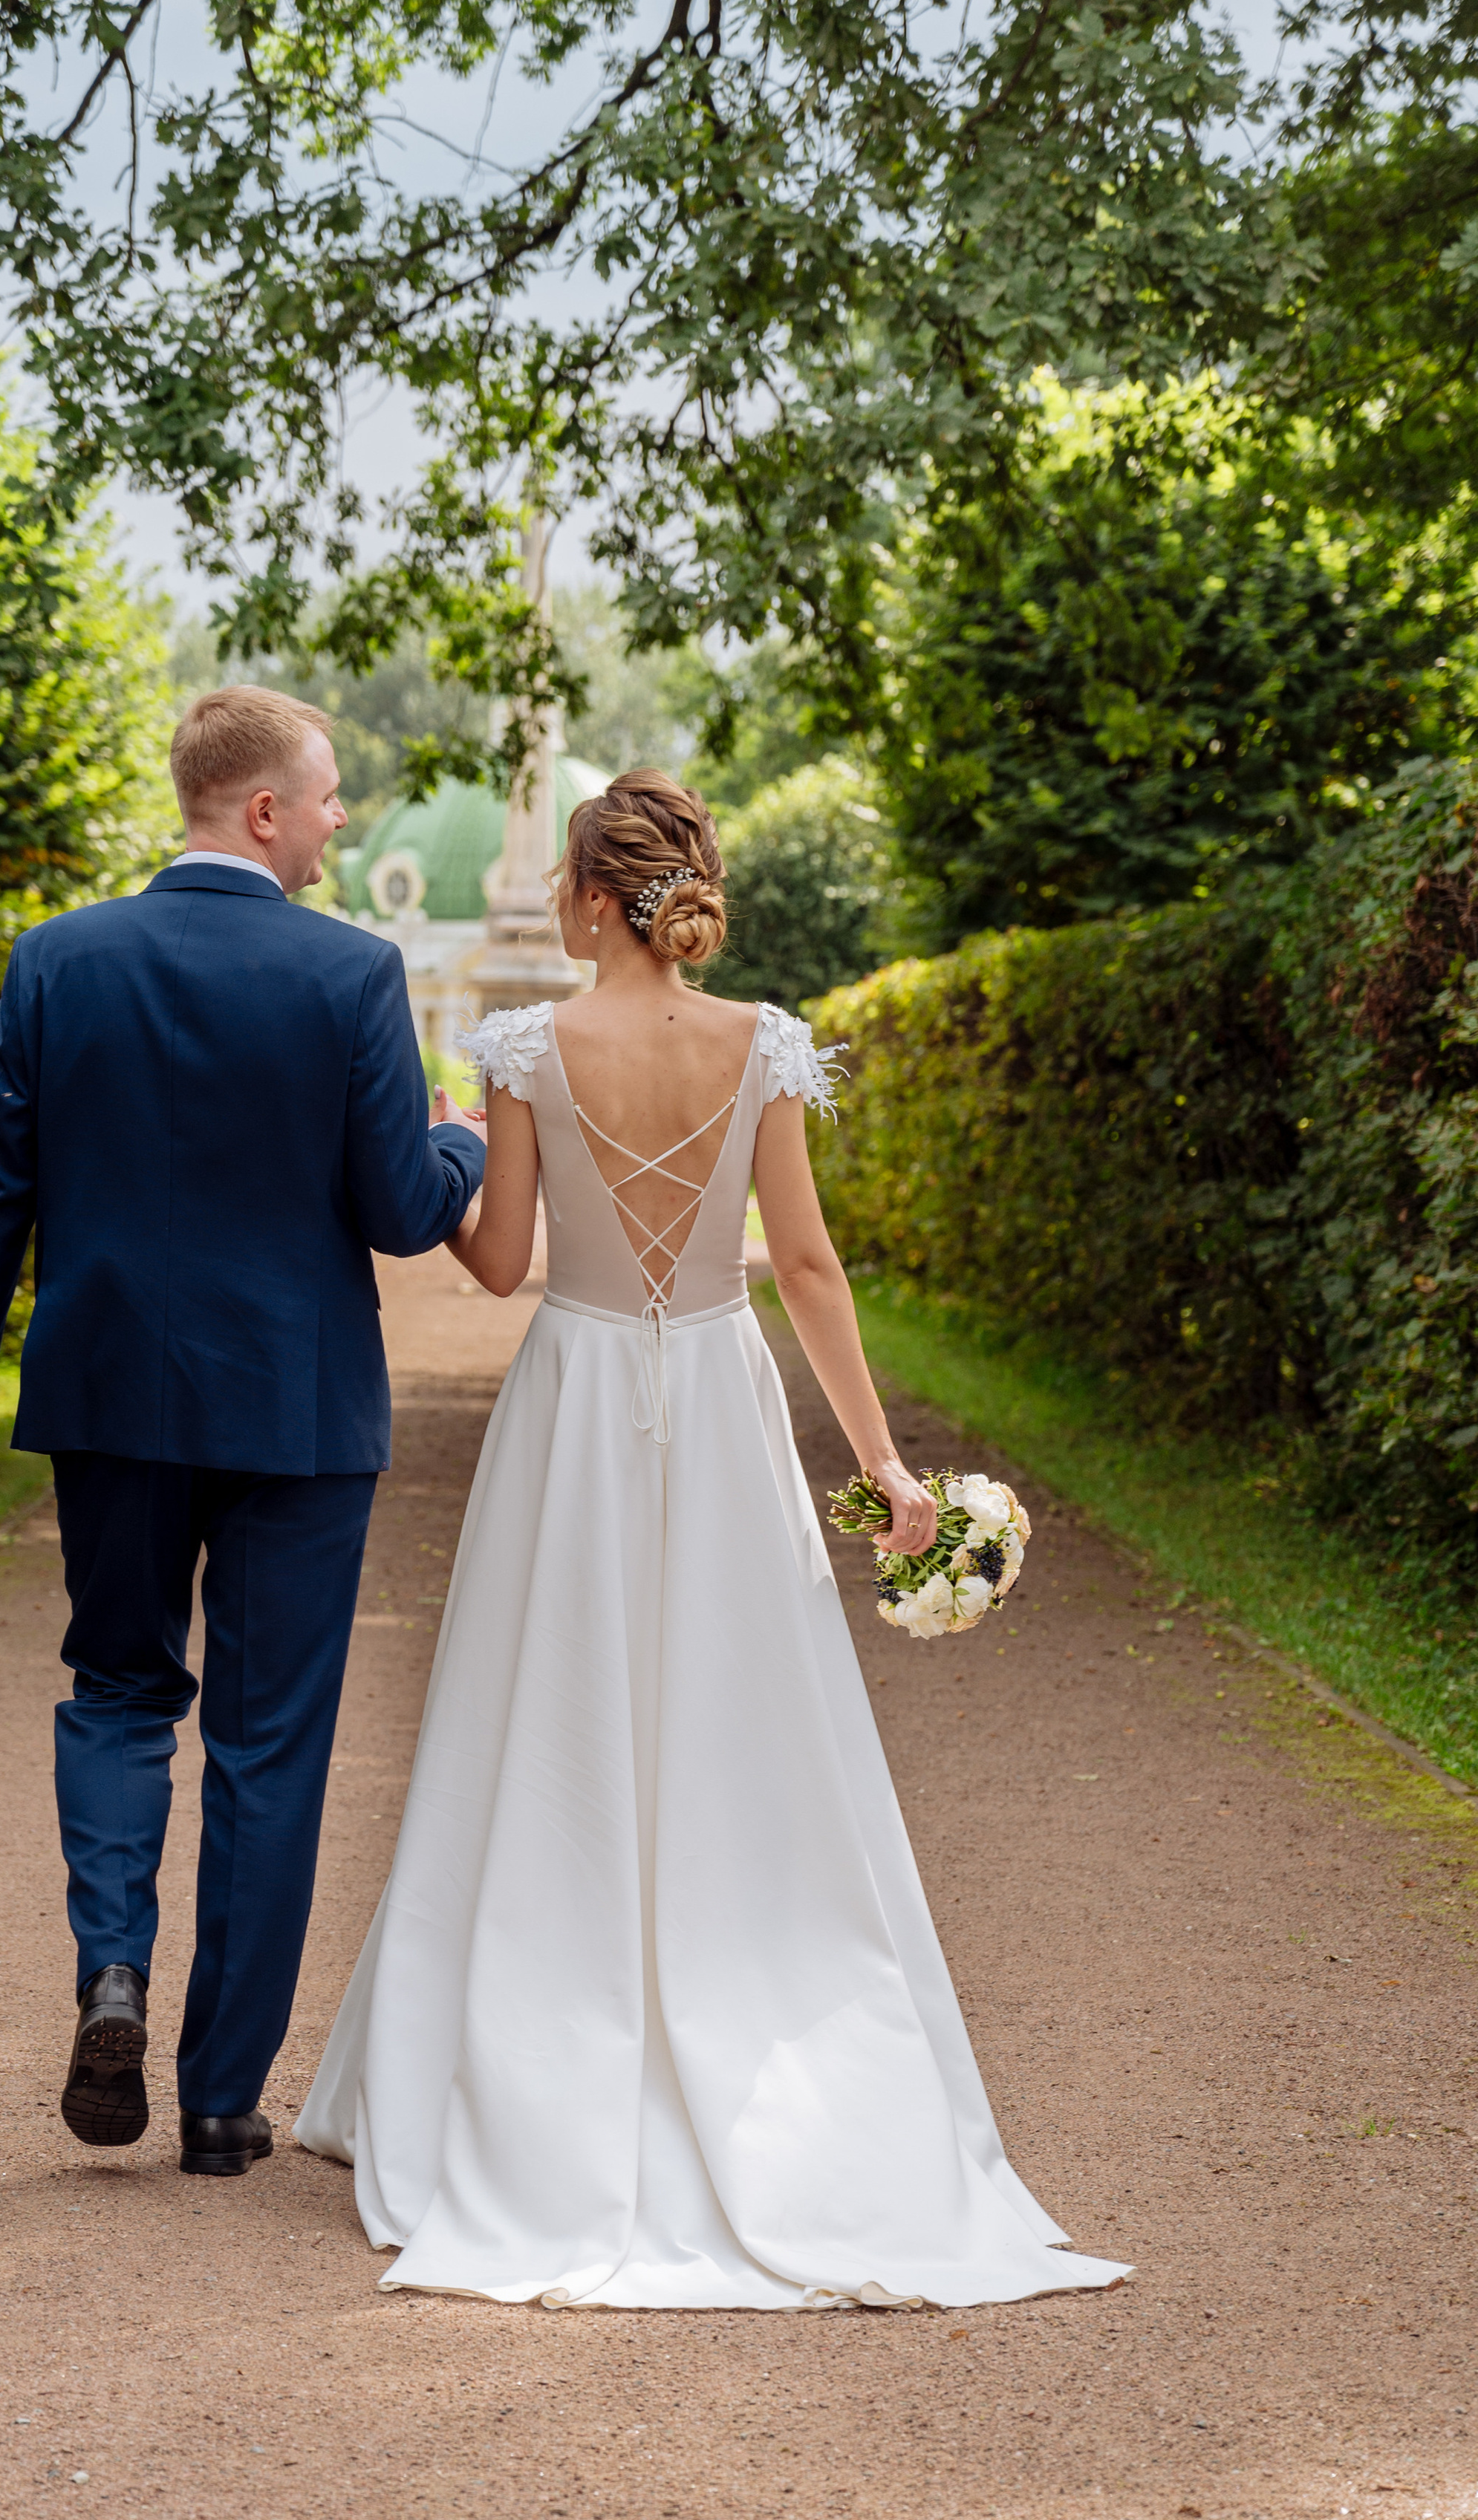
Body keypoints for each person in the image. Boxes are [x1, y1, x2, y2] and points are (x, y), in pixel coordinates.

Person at [298, 769, 1129, 2310]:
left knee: (543, 1700)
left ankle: (520, 2017)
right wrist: (882, 1463)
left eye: (568, 883)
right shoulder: (762, 1042)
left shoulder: (527, 1047)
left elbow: (499, 1265)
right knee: (742, 1703)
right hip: (723, 1397)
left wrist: (444, 1155)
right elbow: (803, 1266)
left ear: (589, 899)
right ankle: (753, 1987)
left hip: (573, 1397)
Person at [0, 687, 485, 2175]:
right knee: (268, 1747)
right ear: (264, 810)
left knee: (116, 1689)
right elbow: (403, 1211)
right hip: (298, 1416)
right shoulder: (355, 973)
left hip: (110, 1401)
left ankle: (112, 1966)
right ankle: (221, 2106)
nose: (340, 818)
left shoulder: (57, 960)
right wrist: (466, 1137)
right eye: (328, 794)